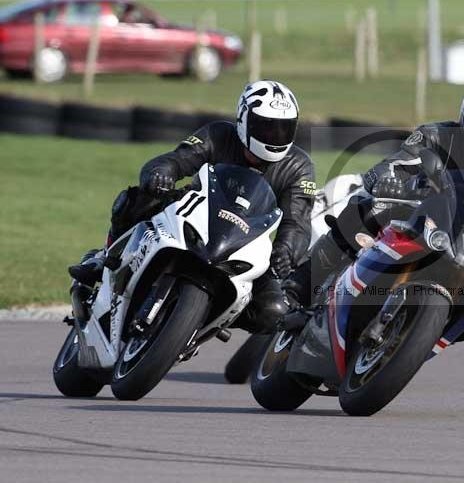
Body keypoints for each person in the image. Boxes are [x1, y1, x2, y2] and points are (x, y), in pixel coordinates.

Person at [282, 76, 464, 331]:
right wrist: (387, 181)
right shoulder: (435, 136)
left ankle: (421, 341)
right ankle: (298, 286)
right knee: (364, 209)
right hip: (420, 216)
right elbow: (394, 165)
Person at [68, 80, 316, 334]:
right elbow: (178, 159)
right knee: (137, 199)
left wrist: (286, 251)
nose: (274, 136)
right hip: (194, 213)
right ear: (244, 120)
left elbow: (297, 222)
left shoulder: (299, 167)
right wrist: (162, 173)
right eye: (266, 126)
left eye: (284, 128)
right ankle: (104, 257)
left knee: (273, 312)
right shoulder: (219, 134)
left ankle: (203, 323)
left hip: (246, 243)